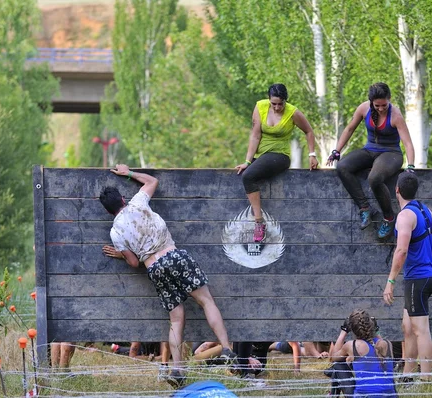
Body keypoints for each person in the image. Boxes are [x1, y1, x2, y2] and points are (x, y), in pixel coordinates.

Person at [99, 164, 237, 388]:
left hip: (154, 269)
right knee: (206, 301)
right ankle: (227, 349)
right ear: (123, 199)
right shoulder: (137, 203)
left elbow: (134, 262)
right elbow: (152, 182)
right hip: (173, 255)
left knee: (175, 319)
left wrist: (120, 255)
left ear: (108, 211)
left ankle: (178, 369)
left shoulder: (115, 232)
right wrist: (129, 173)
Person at [326, 82, 415, 240]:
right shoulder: (364, 108)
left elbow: (407, 142)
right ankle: (364, 208)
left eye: (384, 105)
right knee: (342, 167)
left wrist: (411, 166)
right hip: (369, 150)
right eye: (377, 105)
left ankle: (388, 217)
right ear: (371, 102)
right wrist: (336, 151)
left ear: (389, 99)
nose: (380, 109)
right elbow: (349, 129)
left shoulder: (395, 115)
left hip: (391, 153)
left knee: (374, 178)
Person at [236, 83, 319, 243]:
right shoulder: (260, 107)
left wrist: (312, 154)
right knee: (243, 172)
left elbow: (309, 131)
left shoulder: (292, 112)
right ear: (269, 100)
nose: (277, 107)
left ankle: (259, 223)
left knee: (248, 177)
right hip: (261, 155)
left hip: (279, 155)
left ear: (285, 101)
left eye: (280, 104)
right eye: (273, 103)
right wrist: (247, 161)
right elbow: (255, 136)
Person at [383, 172, 432, 382]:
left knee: (420, 329)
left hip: (418, 278)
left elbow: (401, 251)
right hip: (428, 276)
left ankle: (426, 380)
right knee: (408, 327)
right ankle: (407, 375)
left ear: (396, 190)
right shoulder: (424, 210)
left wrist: (390, 281)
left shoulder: (405, 216)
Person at [329, 309, 397, 397]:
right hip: (390, 395)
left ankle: (332, 395)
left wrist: (343, 331)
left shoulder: (352, 345)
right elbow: (380, 346)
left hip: (364, 396)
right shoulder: (387, 343)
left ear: (352, 329)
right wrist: (376, 331)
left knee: (338, 365)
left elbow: (333, 358)